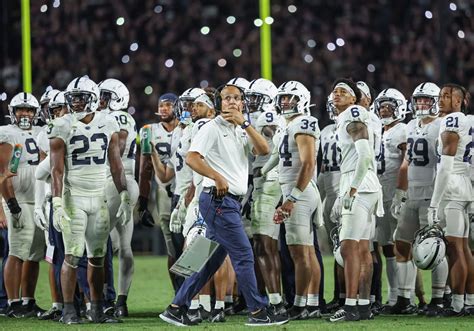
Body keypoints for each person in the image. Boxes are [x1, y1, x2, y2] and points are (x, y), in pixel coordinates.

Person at [159, 83, 287, 326]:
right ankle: (258, 311)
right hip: (218, 200)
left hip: (227, 201)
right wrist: (216, 176)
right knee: (244, 255)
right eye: (227, 98)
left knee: (210, 259)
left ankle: (176, 307)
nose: (232, 102)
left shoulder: (239, 128)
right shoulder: (211, 127)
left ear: (242, 103)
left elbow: (263, 149)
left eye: (237, 98)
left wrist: (245, 123)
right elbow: (192, 158)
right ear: (218, 104)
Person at [48, 76, 131, 324]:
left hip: (100, 197)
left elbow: (116, 165)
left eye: (81, 98)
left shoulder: (108, 122)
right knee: (72, 256)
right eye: (73, 98)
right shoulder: (61, 125)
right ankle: (68, 310)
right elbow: (56, 170)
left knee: (97, 257)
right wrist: (57, 202)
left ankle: (96, 308)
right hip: (74, 197)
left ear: (93, 98)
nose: (76, 103)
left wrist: (124, 194)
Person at [389, 82, 447, 316]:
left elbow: (446, 164)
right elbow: (405, 164)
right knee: (402, 245)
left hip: (431, 193)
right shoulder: (411, 125)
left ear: (434, 102)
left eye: (426, 100)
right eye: (419, 100)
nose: (421, 104)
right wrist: (400, 194)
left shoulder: (442, 125)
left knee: (435, 247)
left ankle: (439, 299)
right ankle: (405, 299)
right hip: (411, 193)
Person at [329, 79, 382, 322]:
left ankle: (350, 306)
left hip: (358, 183)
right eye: (335, 91)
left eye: (344, 92)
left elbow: (364, 154)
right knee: (361, 248)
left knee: (348, 248)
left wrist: (350, 189)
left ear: (355, 99)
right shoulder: (359, 115)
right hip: (368, 184)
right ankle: (362, 305)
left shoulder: (353, 113)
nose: (337, 94)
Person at [272, 81, 322, 320]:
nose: (285, 102)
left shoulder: (304, 121)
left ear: (301, 99)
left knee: (299, 253)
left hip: (299, 192)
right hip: (297, 191)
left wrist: (291, 198)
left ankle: (300, 305)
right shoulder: (287, 124)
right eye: (282, 98)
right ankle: (311, 303)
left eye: (290, 98)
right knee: (307, 252)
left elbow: (309, 163)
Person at [429, 83, 474, 316]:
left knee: (455, 249)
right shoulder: (470, 121)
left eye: (446, 96)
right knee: (464, 248)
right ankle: (470, 300)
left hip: (452, 187)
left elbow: (445, 167)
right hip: (465, 184)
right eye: (440, 96)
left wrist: (434, 204)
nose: (441, 100)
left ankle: (457, 304)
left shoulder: (451, 121)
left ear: (458, 101)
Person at [0, 92, 46, 318]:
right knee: (17, 251)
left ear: (36, 113)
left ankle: (29, 300)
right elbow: (2, 172)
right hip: (18, 198)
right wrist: (10, 203)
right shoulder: (6, 133)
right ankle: (13, 302)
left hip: (38, 200)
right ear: (13, 112)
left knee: (35, 254)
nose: (25, 114)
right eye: (20, 109)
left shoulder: (41, 132)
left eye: (28, 110)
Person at [99, 78, 139, 317]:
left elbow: (119, 148)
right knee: (121, 245)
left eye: (106, 96)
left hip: (117, 183)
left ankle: (104, 298)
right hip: (121, 184)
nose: (101, 100)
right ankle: (119, 302)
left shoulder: (121, 117)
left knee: (99, 243)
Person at [373, 88, 407, 307]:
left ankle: (407, 296)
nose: (385, 110)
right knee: (386, 246)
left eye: (389, 106)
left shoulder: (402, 130)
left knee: (401, 246)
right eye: (382, 106)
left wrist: (401, 192)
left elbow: (407, 160)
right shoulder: (379, 130)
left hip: (396, 194)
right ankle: (394, 296)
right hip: (381, 195)